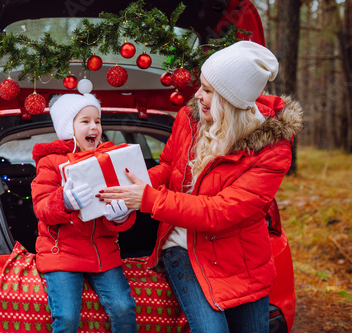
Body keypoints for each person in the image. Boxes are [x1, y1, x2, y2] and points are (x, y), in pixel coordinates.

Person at [97, 41, 303, 332]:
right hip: (182, 245)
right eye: (201, 86)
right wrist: (139, 182)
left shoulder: (272, 151)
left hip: (242, 259)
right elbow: (170, 165)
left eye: (208, 91)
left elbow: (218, 213)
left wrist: (148, 199)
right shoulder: (189, 118)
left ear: (230, 100)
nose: (198, 96)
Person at [31, 93, 138, 333]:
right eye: (85, 121)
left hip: (102, 253)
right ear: (68, 128)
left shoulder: (110, 158)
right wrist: (65, 201)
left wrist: (121, 216)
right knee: (67, 317)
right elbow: (41, 207)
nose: (94, 127)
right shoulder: (50, 162)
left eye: (97, 121)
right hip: (62, 254)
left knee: (123, 308)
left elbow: (123, 202)